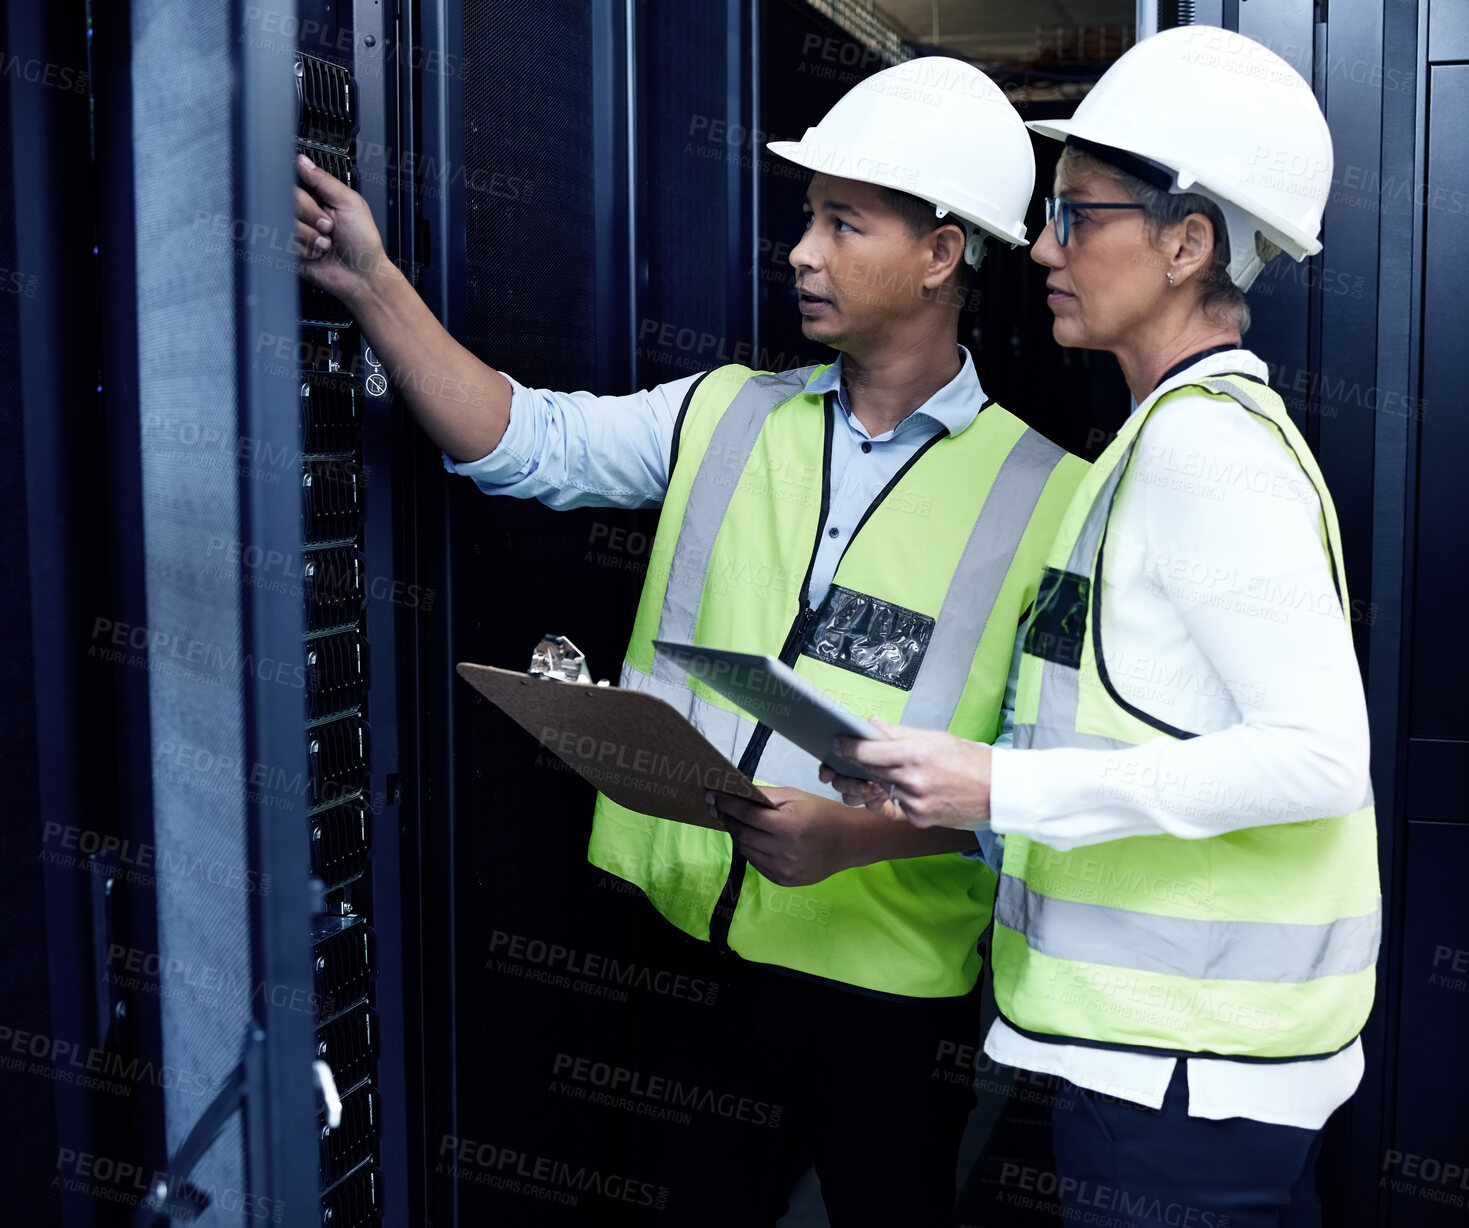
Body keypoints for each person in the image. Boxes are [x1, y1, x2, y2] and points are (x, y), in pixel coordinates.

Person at [296, 56, 1086, 1224]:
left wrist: (850, 840)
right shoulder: (728, 410)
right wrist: (371, 285)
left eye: (842, 222)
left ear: (941, 253)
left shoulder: (1056, 501)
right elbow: (524, 441)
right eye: (805, 218)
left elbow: (1053, 792)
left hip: (886, 1000)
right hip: (685, 959)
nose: (802, 251)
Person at [823, 26, 1378, 1228]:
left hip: (1190, 1085)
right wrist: (948, 792)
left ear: (1187, 244)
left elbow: (1320, 754)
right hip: (1180, 1070)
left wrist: (999, 787)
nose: (1040, 246)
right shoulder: (1152, 447)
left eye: (1077, 216)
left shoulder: (1201, 453)